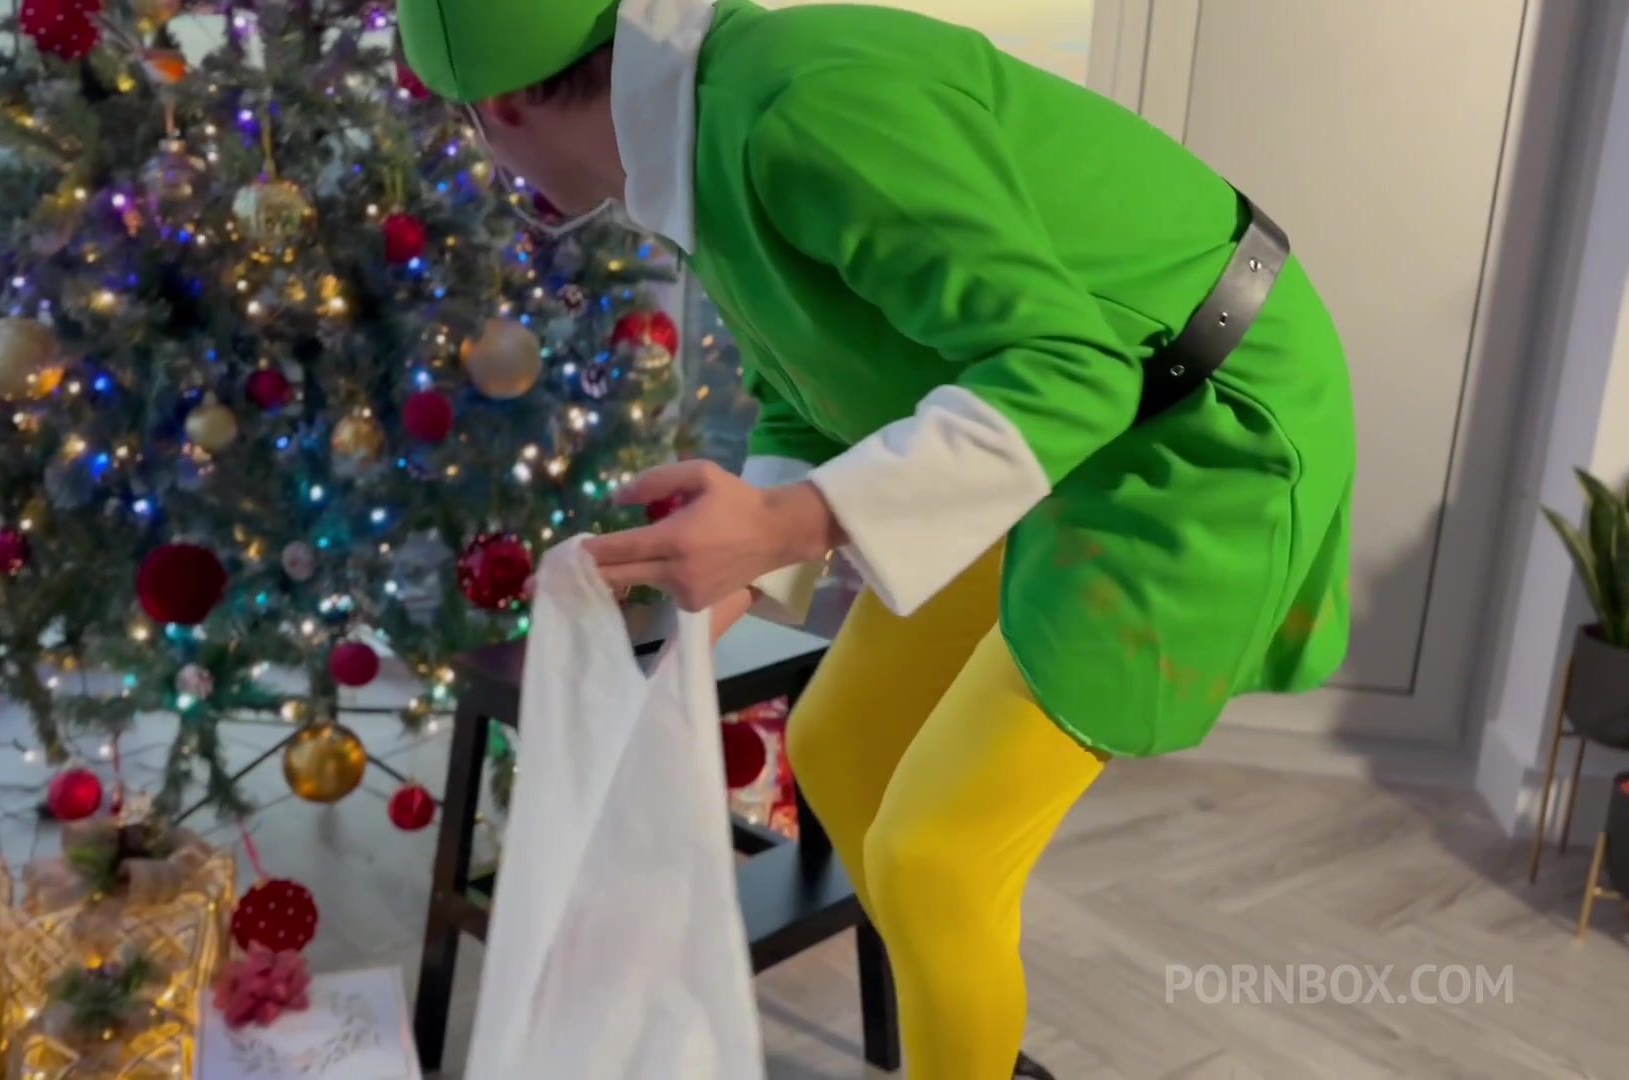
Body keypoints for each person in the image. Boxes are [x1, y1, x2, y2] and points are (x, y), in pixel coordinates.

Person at [397, 0, 1355, 1075]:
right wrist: (726, 583)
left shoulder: (796, 109)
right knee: (837, 753)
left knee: (933, 859)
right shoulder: (694, 133)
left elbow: (1073, 370)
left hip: (1197, 434)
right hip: (1051, 414)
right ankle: (965, 1040)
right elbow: (811, 391)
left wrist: (782, 523)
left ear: (501, 105)